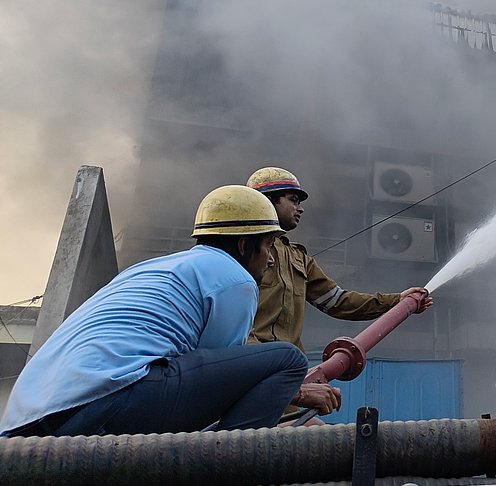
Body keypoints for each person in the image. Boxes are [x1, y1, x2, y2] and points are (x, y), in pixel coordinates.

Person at [1, 186, 308, 437]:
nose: (271, 259)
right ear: (243, 245)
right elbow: (225, 384)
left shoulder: (151, 269)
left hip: (25, 427)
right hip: (108, 401)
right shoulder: (235, 279)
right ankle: (227, 473)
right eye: (269, 245)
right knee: (288, 359)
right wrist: (297, 391)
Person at [245, 167, 432, 414]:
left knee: (311, 434)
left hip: (287, 376)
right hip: (251, 372)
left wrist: (396, 300)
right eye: (293, 200)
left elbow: (338, 301)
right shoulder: (244, 248)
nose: (300, 208)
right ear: (267, 201)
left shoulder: (298, 258)